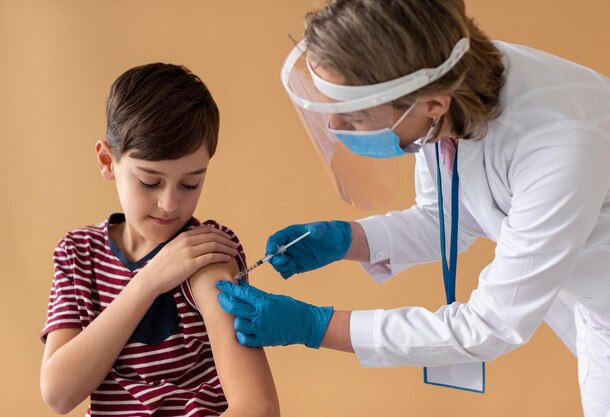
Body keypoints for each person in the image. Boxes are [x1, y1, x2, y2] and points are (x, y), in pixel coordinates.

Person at [215, 1, 610, 416]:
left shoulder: (558, 145)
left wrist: (313, 326)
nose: (335, 129)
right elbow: (446, 219)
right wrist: (350, 240)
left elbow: (488, 325)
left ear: (433, 104)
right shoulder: (441, 84)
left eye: (355, 118)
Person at [40, 63, 280, 417]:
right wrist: (149, 281)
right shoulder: (79, 254)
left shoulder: (206, 253)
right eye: (150, 182)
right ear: (108, 161)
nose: (170, 204)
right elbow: (58, 394)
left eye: (190, 184)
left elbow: (258, 408)